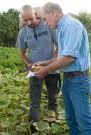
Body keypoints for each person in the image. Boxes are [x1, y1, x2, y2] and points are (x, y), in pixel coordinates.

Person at [34, 2, 91, 135]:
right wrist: (45, 63)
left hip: (78, 80)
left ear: (54, 12)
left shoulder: (72, 25)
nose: (45, 23)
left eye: (44, 18)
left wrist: (46, 70)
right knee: (71, 121)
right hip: (69, 79)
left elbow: (69, 58)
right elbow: (63, 56)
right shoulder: (62, 28)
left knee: (84, 123)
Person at [16, 5, 60, 133]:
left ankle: (51, 127)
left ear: (35, 14)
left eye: (30, 18)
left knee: (52, 99)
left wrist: (51, 63)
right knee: (34, 101)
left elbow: (59, 47)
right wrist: (30, 65)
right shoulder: (23, 32)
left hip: (52, 69)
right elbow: (22, 54)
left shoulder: (48, 25)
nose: (29, 23)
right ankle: (34, 129)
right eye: (25, 20)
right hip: (35, 71)